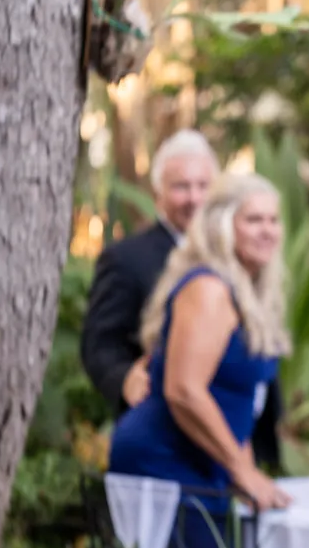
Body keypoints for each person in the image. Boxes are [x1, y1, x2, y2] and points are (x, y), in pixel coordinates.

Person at [109, 173, 292, 548]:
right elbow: (184, 391)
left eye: (273, 220)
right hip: (166, 464)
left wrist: (244, 470)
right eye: (254, 220)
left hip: (206, 466)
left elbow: (239, 400)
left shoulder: (247, 293)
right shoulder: (209, 288)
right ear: (223, 225)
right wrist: (242, 472)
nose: (267, 231)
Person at [82, 130, 283, 466]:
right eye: (181, 187)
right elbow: (100, 342)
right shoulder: (127, 259)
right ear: (158, 193)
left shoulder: (244, 258)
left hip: (232, 439)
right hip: (170, 436)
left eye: (204, 186)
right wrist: (124, 377)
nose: (194, 197)